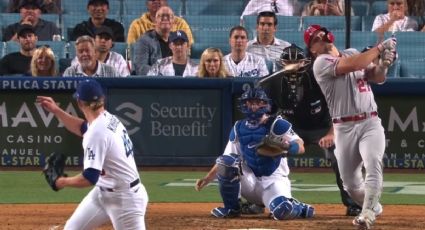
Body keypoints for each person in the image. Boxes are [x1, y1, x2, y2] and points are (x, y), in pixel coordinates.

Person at [305, 24, 396, 229]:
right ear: (312, 49)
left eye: (322, 34)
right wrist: (380, 48)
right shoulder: (320, 63)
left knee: (373, 161)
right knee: (350, 185)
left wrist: (384, 64)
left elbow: (377, 77)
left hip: (369, 122)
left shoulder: (353, 53)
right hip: (343, 128)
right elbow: (355, 64)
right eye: (315, 39)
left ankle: (367, 214)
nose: (321, 38)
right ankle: (374, 206)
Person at [259, 44, 362, 216]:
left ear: (305, 63)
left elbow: (340, 109)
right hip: (291, 128)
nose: (293, 67)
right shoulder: (272, 83)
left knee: (341, 154)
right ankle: (260, 201)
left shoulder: (319, 77)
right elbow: (266, 114)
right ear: (281, 64)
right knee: (263, 150)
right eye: (288, 62)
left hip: (322, 126)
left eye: (297, 62)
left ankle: (354, 203)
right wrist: (266, 125)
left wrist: (332, 133)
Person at [36, 79, 149, 230]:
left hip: (125, 200)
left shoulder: (97, 133)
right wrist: (56, 110)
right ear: (102, 99)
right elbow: (83, 127)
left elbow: (90, 177)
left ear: (80, 103)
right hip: (103, 194)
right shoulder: (106, 118)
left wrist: (61, 182)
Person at [195, 86, 314, 220]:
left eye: (257, 102)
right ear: (245, 104)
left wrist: (286, 146)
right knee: (226, 162)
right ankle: (231, 208)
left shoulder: (277, 123)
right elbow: (227, 157)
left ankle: (299, 207)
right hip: (249, 181)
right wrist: (207, 178)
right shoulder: (238, 127)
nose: (253, 106)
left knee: (283, 210)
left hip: (273, 181)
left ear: (265, 104)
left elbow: (300, 146)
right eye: (250, 102)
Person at [127, 0, 193, 45]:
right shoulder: (136, 25)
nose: (156, 1)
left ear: (166, 2)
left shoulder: (180, 23)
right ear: (147, 4)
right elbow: (131, 50)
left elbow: (188, 48)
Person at [133, 6, 174, 75]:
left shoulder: (177, 40)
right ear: (155, 20)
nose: (165, 18)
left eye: (168, 16)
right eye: (161, 16)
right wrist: (162, 75)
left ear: (173, 20)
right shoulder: (144, 41)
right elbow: (141, 68)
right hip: (153, 83)